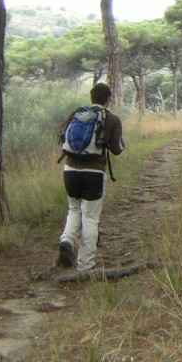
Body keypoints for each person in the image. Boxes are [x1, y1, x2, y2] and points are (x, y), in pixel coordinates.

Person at [57, 83, 124, 272]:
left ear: (91, 97)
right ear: (108, 99)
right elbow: (117, 150)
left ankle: (67, 240)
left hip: (70, 169)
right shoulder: (112, 119)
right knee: (90, 217)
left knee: (73, 209)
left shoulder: (77, 114)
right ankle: (86, 265)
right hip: (94, 172)